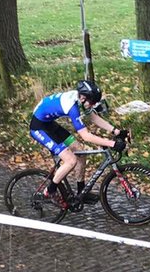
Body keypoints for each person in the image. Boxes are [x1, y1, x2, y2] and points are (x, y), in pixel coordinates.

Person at [28, 80, 127, 209]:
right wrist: (112, 144)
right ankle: (49, 191)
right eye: (91, 102)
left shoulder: (80, 99)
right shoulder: (73, 106)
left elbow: (93, 117)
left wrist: (116, 131)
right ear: (83, 97)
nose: (93, 105)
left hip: (50, 124)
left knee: (79, 151)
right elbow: (85, 136)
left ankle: (82, 191)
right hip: (39, 128)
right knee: (71, 160)